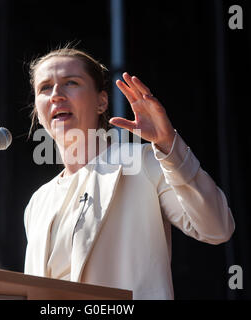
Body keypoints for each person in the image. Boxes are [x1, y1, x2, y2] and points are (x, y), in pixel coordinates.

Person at [23, 46, 235, 300]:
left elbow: (217, 228)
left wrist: (169, 146)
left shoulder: (143, 163)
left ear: (102, 101)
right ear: (37, 109)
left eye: (71, 82)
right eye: (45, 87)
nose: (56, 95)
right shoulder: (38, 202)